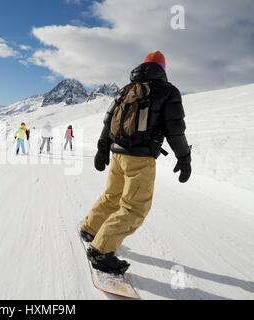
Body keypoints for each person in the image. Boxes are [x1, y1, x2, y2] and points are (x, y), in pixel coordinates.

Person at [80, 50, 192, 275]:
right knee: (134, 208)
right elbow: (175, 130)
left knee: (112, 196)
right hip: (139, 159)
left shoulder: (125, 90)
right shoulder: (168, 91)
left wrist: (103, 149)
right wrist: (184, 158)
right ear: (163, 69)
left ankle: (90, 229)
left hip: (117, 155)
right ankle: (100, 252)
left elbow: (108, 120)